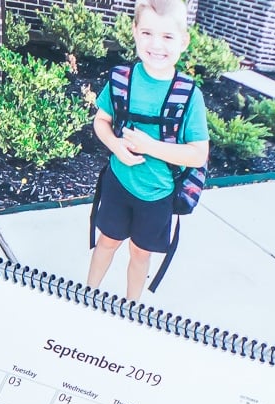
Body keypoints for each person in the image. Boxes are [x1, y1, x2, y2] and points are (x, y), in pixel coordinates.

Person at [86, 0, 209, 301]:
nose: (156, 45)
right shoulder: (122, 80)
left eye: (167, 37)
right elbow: (101, 120)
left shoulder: (190, 96)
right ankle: (86, 294)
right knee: (107, 242)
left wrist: (150, 146)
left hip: (158, 193)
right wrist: (115, 144)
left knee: (141, 254)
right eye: (148, 33)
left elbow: (197, 154)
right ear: (135, 32)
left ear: (184, 40)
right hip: (119, 182)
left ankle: (132, 306)